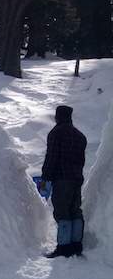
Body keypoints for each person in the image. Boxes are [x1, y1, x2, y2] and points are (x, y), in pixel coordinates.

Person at [41, 105, 87, 258]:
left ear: (58, 116)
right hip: (77, 179)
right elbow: (81, 161)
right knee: (75, 210)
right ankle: (76, 245)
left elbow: (51, 157)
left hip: (62, 179)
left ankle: (64, 247)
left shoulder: (56, 133)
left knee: (62, 211)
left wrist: (46, 176)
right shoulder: (80, 136)